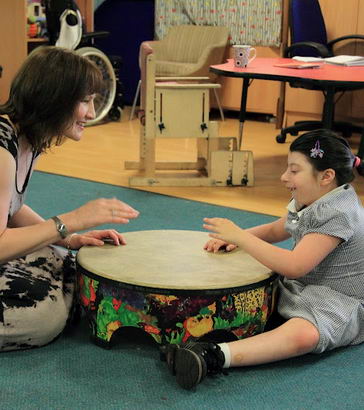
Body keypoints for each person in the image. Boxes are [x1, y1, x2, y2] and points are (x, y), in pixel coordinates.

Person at [162, 129, 364, 390]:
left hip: (342, 301)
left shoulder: (339, 212)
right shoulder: (314, 198)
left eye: (294, 170)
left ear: (327, 176)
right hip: (306, 286)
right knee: (253, 279)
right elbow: (278, 229)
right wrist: (239, 238)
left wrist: (242, 238)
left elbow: (294, 265)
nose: (284, 177)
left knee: (305, 335)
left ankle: (213, 355)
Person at [0, 46, 139, 352]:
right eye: (85, 101)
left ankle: (60, 299)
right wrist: (69, 222)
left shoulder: (28, 137)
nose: (91, 113)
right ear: (54, 99)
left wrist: (69, 239)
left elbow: (13, 208)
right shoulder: (1, 149)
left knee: (66, 262)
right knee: (42, 318)